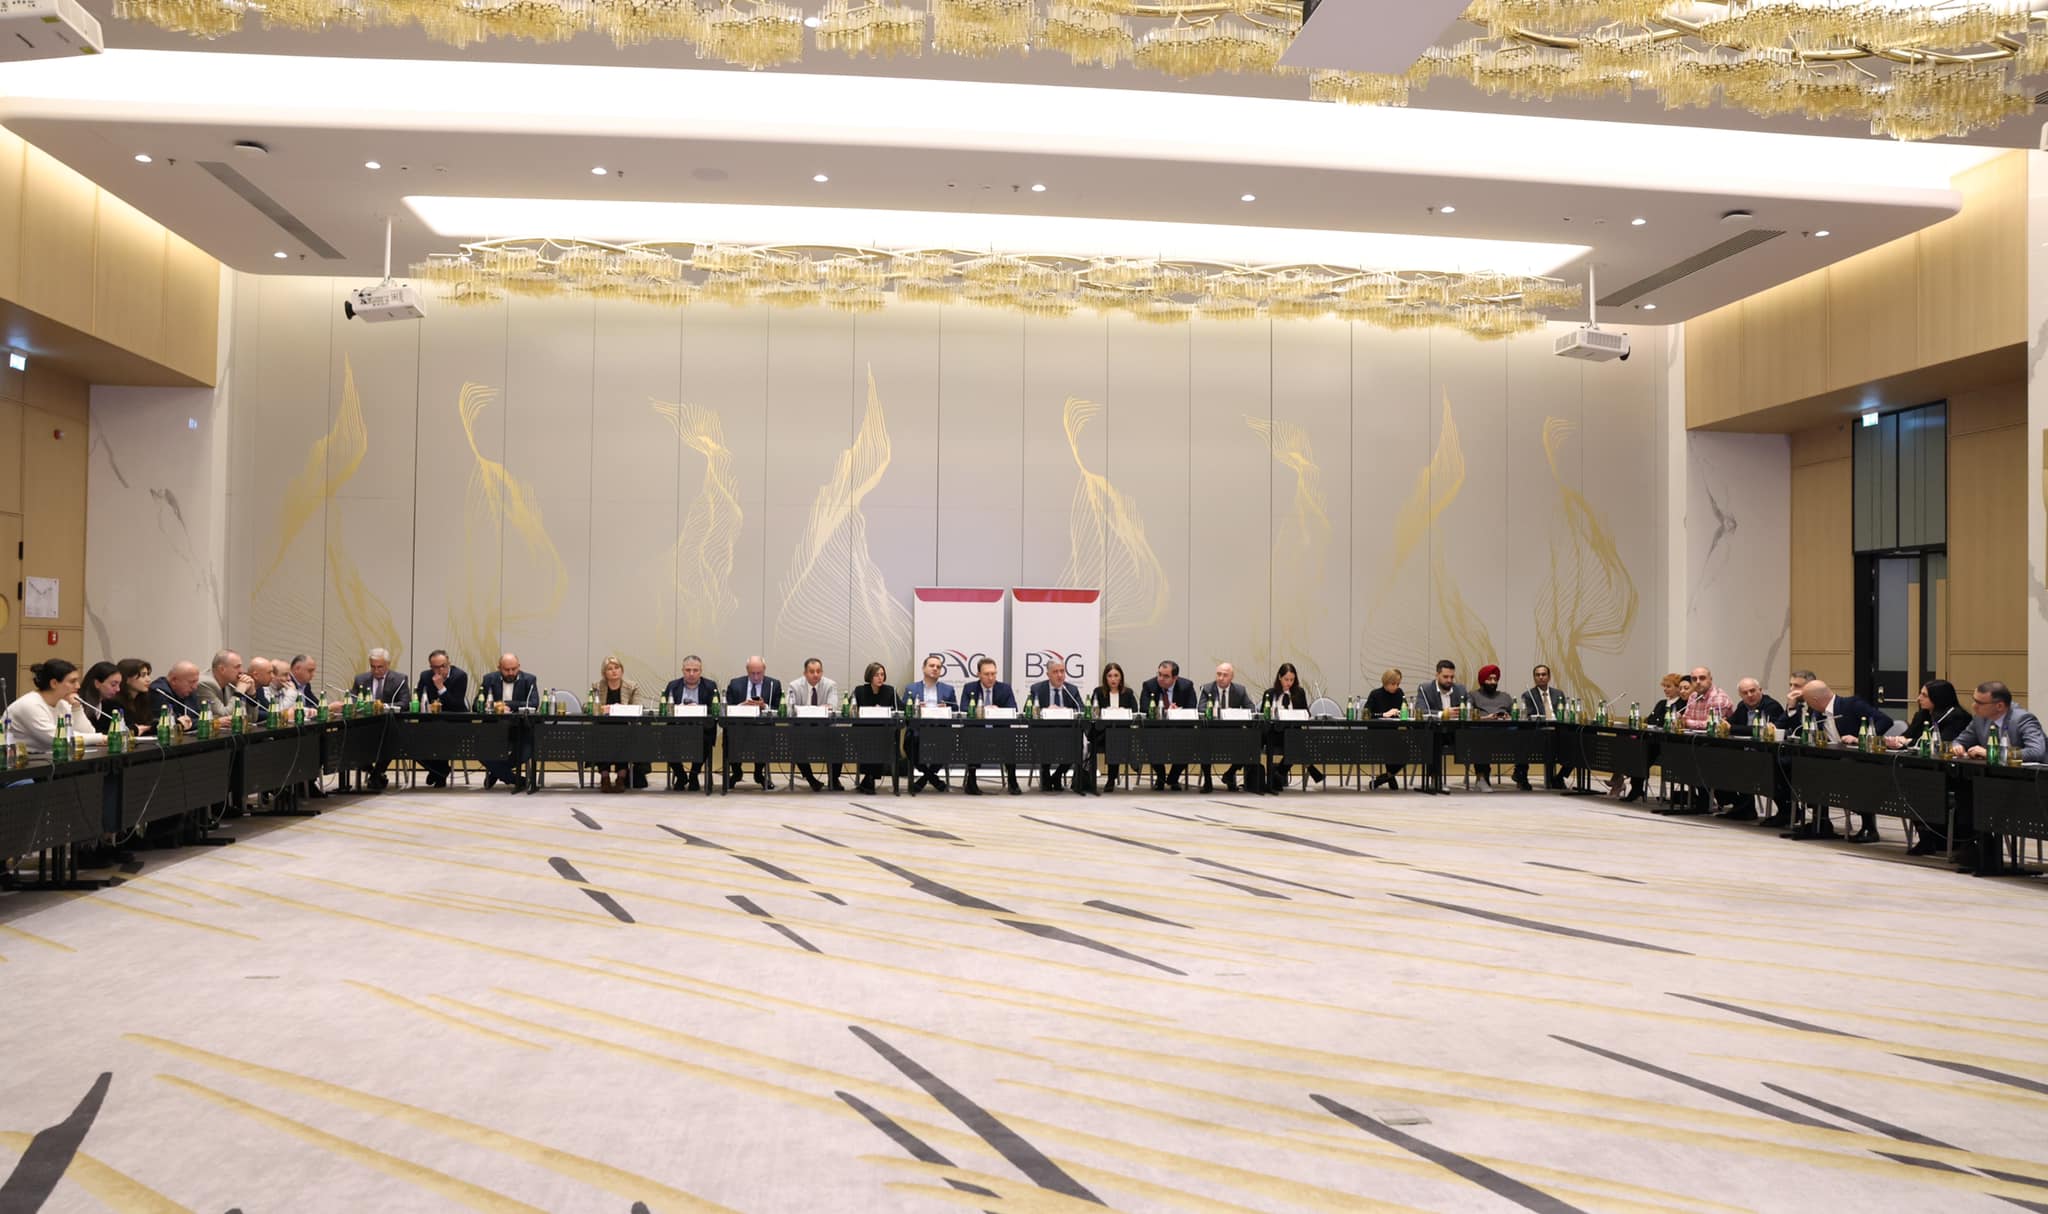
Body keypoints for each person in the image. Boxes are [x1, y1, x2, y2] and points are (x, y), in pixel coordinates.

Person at [1952, 681, 2048, 873]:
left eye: (1980, 702)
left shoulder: (2022, 719)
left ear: (2000, 706)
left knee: (1982, 797)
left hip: (2029, 784)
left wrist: (1993, 753)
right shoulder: (1979, 719)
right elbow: (1959, 740)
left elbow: (2037, 751)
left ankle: (1987, 856)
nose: (1974, 706)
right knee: (1966, 791)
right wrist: (1958, 747)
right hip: (1994, 782)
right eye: (1974, 700)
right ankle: (1978, 852)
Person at [1785, 679, 1894, 841]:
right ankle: (1820, 822)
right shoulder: (1817, 713)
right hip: (1832, 759)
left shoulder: (1852, 704)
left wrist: (1860, 738)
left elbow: (1885, 721)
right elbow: (1800, 731)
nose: (1807, 705)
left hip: (1860, 760)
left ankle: (1869, 828)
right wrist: (1793, 709)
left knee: (1851, 772)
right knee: (1806, 766)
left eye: (1807, 701)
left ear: (1815, 700)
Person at [1884, 680, 1967, 854]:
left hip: (1950, 773)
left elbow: (1943, 743)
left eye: (1924, 695)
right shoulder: (1922, 715)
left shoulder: (1957, 717)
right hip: (1923, 771)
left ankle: (1937, 838)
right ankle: (1926, 837)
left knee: (1920, 786)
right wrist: (1898, 740)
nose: (1918, 698)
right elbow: (1907, 736)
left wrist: (1908, 742)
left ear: (1939, 697)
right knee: (1908, 784)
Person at [3, 659, 105, 755]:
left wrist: (76, 708)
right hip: (15, 760)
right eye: (72, 681)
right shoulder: (29, 705)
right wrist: (101, 738)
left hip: (44, 759)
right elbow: (57, 739)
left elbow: (88, 733)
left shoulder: (63, 703)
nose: (78, 686)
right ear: (54, 683)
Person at [1720, 677, 1787, 821]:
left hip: (1769, 754)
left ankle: (1784, 812)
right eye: (1745, 693)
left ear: (1760, 690)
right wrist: (1725, 724)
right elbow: (1731, 724)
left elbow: (1763, 730)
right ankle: (1744, 807)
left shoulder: (1771, 706)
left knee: (1751, 765)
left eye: (1752, 691)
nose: (1749, 695)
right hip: (1749, 752)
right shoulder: (1742, 706)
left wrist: (1733, 728)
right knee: (1724, 761)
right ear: (1740, 695)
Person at [349, 647, 412, 791]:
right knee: (350, 739)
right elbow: (353, 700)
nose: (376, 670)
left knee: (390, 739)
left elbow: (405, 703)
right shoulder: (361, 679)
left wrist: (384, 706)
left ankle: (376, 774)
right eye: (373, 667)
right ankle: (375, 773)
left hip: (389, 725)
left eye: (380, 667)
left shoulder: (400, 679)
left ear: (388, 665)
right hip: (365, 726)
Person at [959, 657, 1021, 796]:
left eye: (993, 673)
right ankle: (971, 782)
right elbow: (964, 709)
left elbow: (1013, 709)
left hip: (999, 733)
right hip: (977, 733)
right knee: (971, 737)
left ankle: (1012, 780)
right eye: (987, 674)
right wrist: (983, 710)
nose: (991, 677)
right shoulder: (970, 688)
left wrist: (997, 710)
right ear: (979, 674)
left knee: (1011, 738)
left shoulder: (1004, 688)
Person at [586, 655, 647, 793]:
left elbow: (638, 707)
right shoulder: (597, 686)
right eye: (610, 669)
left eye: (617, 668)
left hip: (625, 727)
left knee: (624, 737)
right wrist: (602, 708)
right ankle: (605, 777)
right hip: (602, 727)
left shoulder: (632, 686)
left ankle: (621, 778)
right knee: (600, 738)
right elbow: (588, 707)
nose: (614, 671)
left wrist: (619, 708)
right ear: (604, 673)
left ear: (622, 670)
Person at [477, 653, 537, 791]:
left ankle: (496, 772)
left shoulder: (529, 679)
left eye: (514, 669)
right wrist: (492, 707)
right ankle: (515, 779)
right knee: (477, 747)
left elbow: (534, 703)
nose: (511, 673)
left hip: (520, 727)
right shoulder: (489, 679)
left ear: (519, 667)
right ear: (499, 668)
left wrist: (502, 704)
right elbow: (477, 704)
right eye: (506, 669)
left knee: (525, 750)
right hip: (494, 728)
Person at [1513, 664, 1577, 791]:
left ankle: (1559, 777)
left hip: (1558, 730)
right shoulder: (1528, 695)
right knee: (1523, 737)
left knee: (1577, 741)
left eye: (1543, 674)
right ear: (1534, 678)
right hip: (1539, 731)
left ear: (1549, 677)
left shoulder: (1558, 693)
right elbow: (1530, 715)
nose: (1541, 677)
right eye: (1537, 675)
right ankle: (1521, 775)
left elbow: (1564, 713)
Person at [723, 656, 782, 790]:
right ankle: (736, 773)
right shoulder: (735, 684)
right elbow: (727, 709)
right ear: (747, 670)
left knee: (763, 736)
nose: (755, 677)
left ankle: (759, 774)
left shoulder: (773, 684)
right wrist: (742, 705)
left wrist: (764, 706)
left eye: (759, 673)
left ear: (764, 669)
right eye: (752, 673)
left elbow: (779, 710)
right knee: (730, 736)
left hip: (763, 728)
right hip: (739, 728)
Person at [1026, 658, 1083, 792]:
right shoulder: (1037, 689)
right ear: (1048, 674)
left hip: (1067, 734)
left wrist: (1066, 711)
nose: (1059, 675)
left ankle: (1057, 775)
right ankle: (1045, 774)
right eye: (1055, 672)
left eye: (1062, 671)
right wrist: (1045, 710)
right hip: (1044, 734)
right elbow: (1027, 711)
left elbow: (1081, 709)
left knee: (1077, 745)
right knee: (1045, 740)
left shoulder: (1071, 690)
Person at [1197, 662, 1256, 793]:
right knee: (1203, 741)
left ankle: (1230, 774)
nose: (1221, 678)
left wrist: (1235, 713)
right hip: (1212, 731)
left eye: (1225, 675)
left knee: (1250, 742)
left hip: (1234, 732)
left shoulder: (1240, 690)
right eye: (1218, 674)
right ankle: (1208, 781)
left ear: (1231, 677)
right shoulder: (1206, 689)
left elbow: (1251, 709)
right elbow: (1200, 709)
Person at [414, 649, 470, 787]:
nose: (439, 670)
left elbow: (456, 704)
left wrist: (440, 687)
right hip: (431, 721)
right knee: (410, 739)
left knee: (441, 733)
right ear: (430, 667)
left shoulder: (460, 676)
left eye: (443, 666)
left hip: (454, 722)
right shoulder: (425, 676)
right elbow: (420, 698)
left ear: (449, 663)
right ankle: (440, 770)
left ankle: (438, 772)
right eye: (435, 667)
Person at [661, 655, 717, 790]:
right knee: (663, 740)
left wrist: (698, 709)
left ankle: (693, 774)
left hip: (701, 729)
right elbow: (666, 710)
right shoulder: (673, 686)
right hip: (677, 729)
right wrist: (679, 708)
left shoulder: (710, 686)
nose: (691, 674)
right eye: (688, 670)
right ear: (682, 670)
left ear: (701, 671)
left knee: (705, 739)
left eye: (695, 670)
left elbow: (715, 711)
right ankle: (681, 775)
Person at [1138, 660, 1196, 790]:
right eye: (1159, 674)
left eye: (1166, 676)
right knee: (1147, 739)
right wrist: (1165, 712)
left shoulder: (1186, 686)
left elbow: (1192, 709)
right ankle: (1161, 776)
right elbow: (1144, 708)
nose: (1161, 678)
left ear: (1175, 678)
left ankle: (1173, 777)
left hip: (1179, 731)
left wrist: (1178, 711)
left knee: (1192, 740)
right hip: (1156, 731)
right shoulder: (1149, 685)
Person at [1263, 662, 1321, 792]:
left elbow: (1306, 712)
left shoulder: (1299, 692)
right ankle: (1309, 768)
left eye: (1292, 680)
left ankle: (1278, 774)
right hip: (1275, 733)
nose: (1289, 683)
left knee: (1296, 741)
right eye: (1286, 679)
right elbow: (1263, 716)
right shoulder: (1270, 694)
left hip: (1293, 732)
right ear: (1280, 677)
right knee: (1297, 743)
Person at [788, 658, 843, 792]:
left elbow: (832, 707)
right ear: (805, 673)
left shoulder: (830, 685)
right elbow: (790, 710)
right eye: (811, 671)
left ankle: (834, 779)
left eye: (818, 671)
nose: (815, 675)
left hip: (825, 730)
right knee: (795, 742)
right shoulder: (794, 686)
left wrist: (804, 710)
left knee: (839, 740)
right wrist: (818, 709)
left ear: (822, 672)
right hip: (802, 730)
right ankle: (811, 779)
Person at [907, 654, 959, 793]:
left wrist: (946, 708)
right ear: (923, 668)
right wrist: (915, 708)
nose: (935, 669)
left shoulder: (948, 689)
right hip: (918, 731)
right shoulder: (911, 688)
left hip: (940, 731)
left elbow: (955, 710)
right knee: (909, 742)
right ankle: (932, 778)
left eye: (938, 667)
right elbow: (904, 710)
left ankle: (925, 778)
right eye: (931, 666)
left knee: (949, 742)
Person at [850, 662, 898, 795]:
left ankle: (868, 779)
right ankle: (869, 778)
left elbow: (900, 709)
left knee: (879, 741)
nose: (880, 678)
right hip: (862, 734)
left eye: (882, 674)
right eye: (877, 675)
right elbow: (850, 709)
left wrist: (885, 710)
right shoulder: (860, 690)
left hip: (883, 734)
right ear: (870, 676)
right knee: (869, 741)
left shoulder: (890, 691)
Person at [1089, 662, 1138, 792]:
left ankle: (1111, 779)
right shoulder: (1098, 692)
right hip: (1102, 734)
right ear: (1105, 678)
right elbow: (1093, 713)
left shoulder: (1128, 693)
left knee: (1116, 737)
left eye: (1116, 675)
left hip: (1123, 735)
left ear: (1121, 677)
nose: (1113, 679)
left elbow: (1134, 713)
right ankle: (1115, 775)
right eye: (1110, 676)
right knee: (1112, 736)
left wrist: (1121, 712)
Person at [1466, 664, 1515, 791]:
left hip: (1504, 730)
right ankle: (1481, 777)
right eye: (1489, 679)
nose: (1493, 682)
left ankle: (1521, 775)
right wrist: (1486, 718)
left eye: (1495, 679)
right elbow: (1468, 715)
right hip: (1482, 729)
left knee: (1525, 733)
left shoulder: (1505, 696)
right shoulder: (1472, 695)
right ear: (1482, 680)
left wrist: (1509, 717)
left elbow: (1516, 715)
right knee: (1479, 735)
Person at [1364, 668, 1406, 790]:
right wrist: (1384, 714)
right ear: (1385, 682)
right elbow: (1366, 714)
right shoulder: (1375, 694)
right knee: (1391, 745)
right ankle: (1389, 776)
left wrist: (1401, 713)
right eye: (1393, 684)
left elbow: (1405, 710)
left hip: (1394, 733)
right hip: (1376, 734)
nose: (1396, 687)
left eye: (1398, 684)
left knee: (1411, 749)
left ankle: (1386, 776)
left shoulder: (1400, 693)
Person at [194, 649, 251, 718]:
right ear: (222, 669)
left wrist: (252, 693)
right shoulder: (205, 684)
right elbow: (223, 716)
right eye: (237, 667)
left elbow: (251, 718)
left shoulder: (231, 681)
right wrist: (239, 692)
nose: (241, 671)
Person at [148, 661, 204, 728]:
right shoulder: (158, 692)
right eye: (191, 682)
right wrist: (186, 723)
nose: (194, 687)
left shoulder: (188, 691)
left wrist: (190, 723)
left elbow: (200, 718)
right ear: (174, 680)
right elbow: (171, 724)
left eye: (196, 681)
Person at [76, 661, 125, 731]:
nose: (118, 689)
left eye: (119, 685)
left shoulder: (111, 706)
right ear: (97, 683)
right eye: (113, 685)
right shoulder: (79, 704)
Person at [114, 658, 157, 733]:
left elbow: (148, 725)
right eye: (143, 675)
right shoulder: (114, 703)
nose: (148, 680)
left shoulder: (143, 700)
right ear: (126, 678)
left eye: (148, 675)